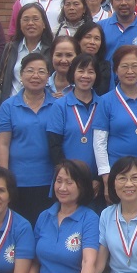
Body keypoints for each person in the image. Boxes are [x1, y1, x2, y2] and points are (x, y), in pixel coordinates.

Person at [14, 160, 101, 273]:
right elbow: (34, 260)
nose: (62, 187)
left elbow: (89, 262)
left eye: (69, 182)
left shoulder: (90, 218)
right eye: (59, 181)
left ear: (82, 186)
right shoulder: (44, 216)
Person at [0, 53, 58, 224]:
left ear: (48, 76)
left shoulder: (57, 105)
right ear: (21, 75)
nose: (35, 76)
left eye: (41, 71)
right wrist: (4, 178)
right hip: (18, 180)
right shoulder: (8, 106)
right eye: (30, 71)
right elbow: (2, 144)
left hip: (49, 181)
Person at [95, 45, 137, 202]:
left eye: (135, 66)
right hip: (118, 173)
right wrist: (106, 177)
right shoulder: (105, 101)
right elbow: (99, 143)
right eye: (124, 66)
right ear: (115, 70)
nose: (130, 71)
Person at [47, 54, 102, 196]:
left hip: (96, 183)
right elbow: (54, 146)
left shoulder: (104, 105)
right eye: (81, 71)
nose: (85, 76)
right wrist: (69, 178)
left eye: (91, 72)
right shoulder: (60, 106)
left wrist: (98, 178)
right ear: (72, 73)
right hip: (66, 183)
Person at [0, 2, 54, 102]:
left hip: (41, 106)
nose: (30, 23)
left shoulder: (52, 50)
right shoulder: (10, 48)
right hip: (11, 105)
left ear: (44, 24)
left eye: (35, 19)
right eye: (26, 19)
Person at [73, 21, 112, 95]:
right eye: (88, 37)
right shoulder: (70, 63)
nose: (92, 42)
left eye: (97, 38)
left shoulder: (105, 67)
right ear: (78, 40)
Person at [46, 35, 78, 99]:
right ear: (52, 57)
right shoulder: (42, 85)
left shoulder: (84, 88)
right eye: (59, 55)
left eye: (69, 55)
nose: (63, 61)